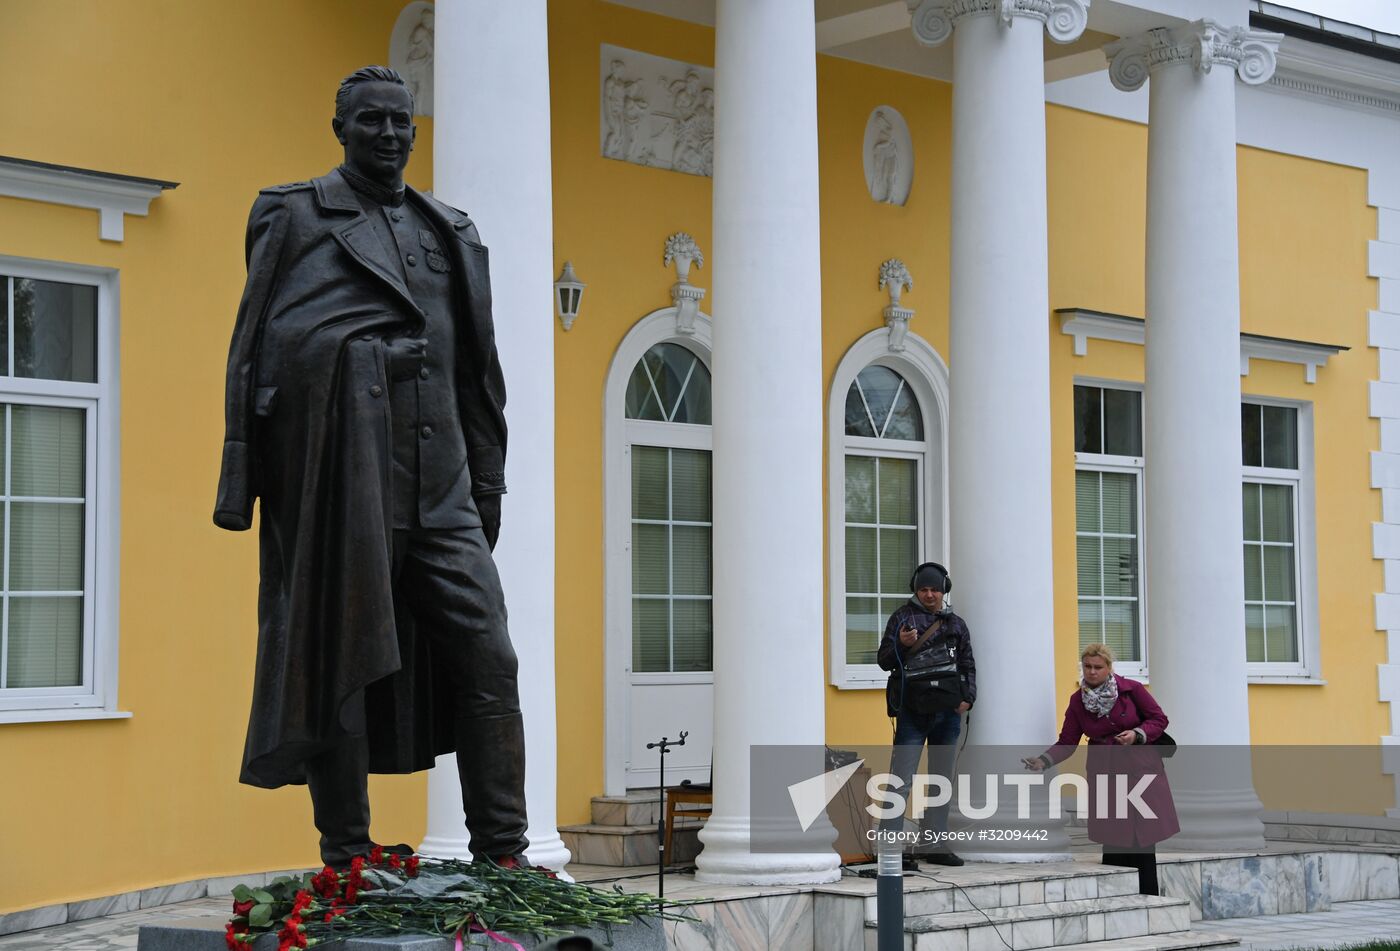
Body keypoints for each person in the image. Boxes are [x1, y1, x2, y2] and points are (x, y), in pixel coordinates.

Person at [213, 65, 529, 869]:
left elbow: (475, 370)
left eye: (400, 122)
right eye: (370, 122)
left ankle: (504, 851)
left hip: (444, 489)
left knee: (490, 655)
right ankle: (347, 852)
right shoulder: (295, 215)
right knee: (341, 660)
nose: (388, 135)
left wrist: (487, 481)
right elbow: (263, 348)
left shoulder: (449, 229)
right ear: (341, 129)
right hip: (344, 485)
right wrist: (368, 360)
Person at [1023, 643, 1178, 894]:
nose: (1092, 672)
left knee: (1142, 837)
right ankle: (1117, 898)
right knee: (1113, 835)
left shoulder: (1133, 690)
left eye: (1098, 667)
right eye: (1087, 667)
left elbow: (1159, 719)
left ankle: (1148, 897)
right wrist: (1043, 760)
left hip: (1140, 769)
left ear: (1109, 668)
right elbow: (1068, 741)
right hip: (1105, 770)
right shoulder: (1077, 701)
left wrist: (1137, 734)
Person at [876, 562, 976, 868]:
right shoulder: (901, 618)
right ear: (915, 589)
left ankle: (934, 845)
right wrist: (901, 646)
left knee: (941, 780)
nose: (929, 595)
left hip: (948, 713)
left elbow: (967, 663)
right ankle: (889, 848)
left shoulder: (956, 624)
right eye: (924, 589)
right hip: (912, 713)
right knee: (901, 780)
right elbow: (883, 661)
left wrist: (968, 699)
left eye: (934, 589)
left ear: (943, 589)